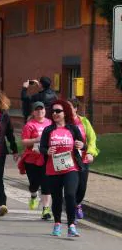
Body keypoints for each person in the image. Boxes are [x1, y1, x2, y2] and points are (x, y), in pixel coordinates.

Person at [40, 100, 84, 238]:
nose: (55, 113)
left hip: (71, 168)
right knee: (57, 198)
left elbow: (83, 145)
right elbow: (42, 147)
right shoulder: (48, 130)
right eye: (53, 111)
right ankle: (57, 223)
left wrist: (81, 144)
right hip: (53, 169)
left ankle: (71, 225)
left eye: (58, 111)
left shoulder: (72, 128)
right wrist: (47, 151)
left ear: (65, 113)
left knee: (70, 195)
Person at [20, 101, 53, 220]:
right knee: (34, 184)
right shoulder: (29, 125)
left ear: (45, 110)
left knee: (46, 185)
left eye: (42, 109)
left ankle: (46, 210)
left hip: (46, 158)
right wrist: (36, 139)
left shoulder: (50, 123)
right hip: (31, 159)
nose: (40, 111)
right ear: (33, 112)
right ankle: (33, 195)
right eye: (37, 110)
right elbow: (24, 142)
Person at [70, 98, 98, 220]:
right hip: (68, 159)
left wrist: (90, 152)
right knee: (71, 186)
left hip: (82, 159)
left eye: (70, 107)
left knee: (82, 187)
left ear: (76, 108)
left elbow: (92, 139)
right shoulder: (62, 122)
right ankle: (72, 208)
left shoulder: (84, 122)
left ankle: (77, 204)